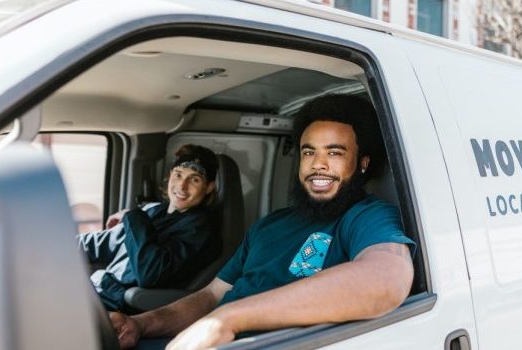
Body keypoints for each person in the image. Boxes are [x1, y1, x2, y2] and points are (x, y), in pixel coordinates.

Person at [109, 94, 415, 349]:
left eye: (334, 153)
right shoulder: (268, 225)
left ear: (362, 164)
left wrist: (229, 319)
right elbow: (211, 296)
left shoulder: (365, 216)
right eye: (309, 152)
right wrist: (140, 324)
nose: (318, 164)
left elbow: (387, 280)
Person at [79, 144, 222, 312]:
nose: (182, 186)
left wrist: (132, 216)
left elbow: (150, 273)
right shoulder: (153, 211)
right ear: (170, 176)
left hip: (117, 306)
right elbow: (100, 244)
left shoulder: (201, 231)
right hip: (95, 290)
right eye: (178, 175)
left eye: (194, 179)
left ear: (209, 187)